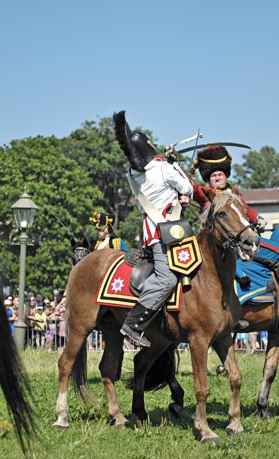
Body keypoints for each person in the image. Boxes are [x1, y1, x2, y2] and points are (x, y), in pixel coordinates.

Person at [190, 146, 279, 314]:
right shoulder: (206, 194)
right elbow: (189, 186)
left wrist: (257, 218)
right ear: (208, 179)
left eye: (220, 174)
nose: (217, 177)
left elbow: (247, 211)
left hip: (244, 241)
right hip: (224, 245)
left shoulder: (234, 194)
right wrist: (173, 166)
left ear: (226, 175)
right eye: (213, 175)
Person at [114, 112, 193, 348]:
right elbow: (187, 186)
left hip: (152, 233)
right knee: (166, 279)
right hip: (169, 234)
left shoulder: (132, 174)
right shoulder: (164, 169)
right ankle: (134, 323)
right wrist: (175, 163)